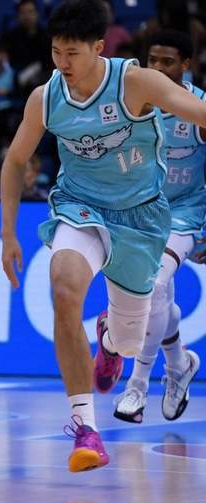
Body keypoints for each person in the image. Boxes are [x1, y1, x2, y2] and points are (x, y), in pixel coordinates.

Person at [0, 0, 206, 473]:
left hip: (140, 217)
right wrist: (7, 232)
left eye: (72, 53)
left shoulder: (137, 82)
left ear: (98, 48)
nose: (63, 63)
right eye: (56, 52)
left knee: (132, 342)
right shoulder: (45, 98)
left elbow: (200, 112)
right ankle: (85, 428)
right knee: (64, 290)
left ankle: (111, 341)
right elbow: (15, 161)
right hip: (80, 208)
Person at [113, 30, 202, 424]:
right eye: (154, 60)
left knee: (156, 283)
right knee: (157, 297)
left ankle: (137, 387)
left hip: (187, 211)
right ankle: (180, 364)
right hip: (144, 213)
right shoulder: (133, 105)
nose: (160, 68)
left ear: (186, 65)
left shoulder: (199, 109)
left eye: (169, 61)